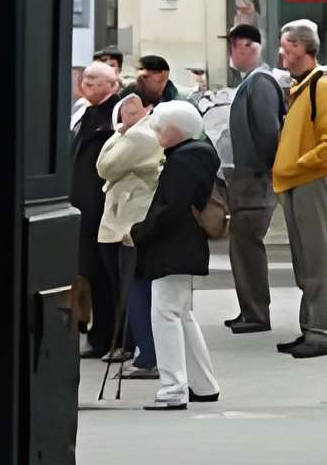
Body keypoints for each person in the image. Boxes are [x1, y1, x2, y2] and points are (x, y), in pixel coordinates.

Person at [132, 97, 221, 410]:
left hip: (174, 245)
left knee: (166, 313)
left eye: (161, 128)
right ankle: (203, 384)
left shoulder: (185, 158)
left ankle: (173, 389)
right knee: (181, 314)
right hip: (182, 244)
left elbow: (172, 206)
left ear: (177, 131)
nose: (156, 132)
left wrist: (141, 232)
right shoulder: (192, 153)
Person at [271, 21, 327, 358]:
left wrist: (304, 163)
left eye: (285, 45)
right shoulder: (302, 87)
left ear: (301, 47)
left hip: (309, 181)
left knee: (317, 260)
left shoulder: (324, 86)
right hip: (295, 181)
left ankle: (321, 333)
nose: (281, 52)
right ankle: (310, 328)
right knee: (305, 261)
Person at [220, 21, 287, 336]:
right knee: (242, 247)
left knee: (247, 247)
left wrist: (265, 171)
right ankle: (250, 309)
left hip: (255, 180)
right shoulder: (253, 82)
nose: (231, 54)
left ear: (246, 47)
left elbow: (267, 132)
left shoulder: (259, 83)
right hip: (249, 179)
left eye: (234, 47)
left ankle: (256, 312)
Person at [96, 91, 165, 384]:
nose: (126, 117)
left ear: (149, 109)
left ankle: (146, 356)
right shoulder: (136, 134)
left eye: (133, 111)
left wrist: (117, 136)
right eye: (123, 111)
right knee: (132, 292)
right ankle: (141, 351)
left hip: (131, 224)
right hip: (125, 221)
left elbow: (104, 167)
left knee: (136, 293)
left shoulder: (141, 137)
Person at [69, 59, 124, 357]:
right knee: (89, 274)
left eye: (93, 80)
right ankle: (98, 336)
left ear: (111, 85)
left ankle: (114, 338)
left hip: (102, 208)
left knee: (106, 276)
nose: (86, 84)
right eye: (85, 80)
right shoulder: (84, 112)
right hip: (82, 207)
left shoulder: (114, 114)